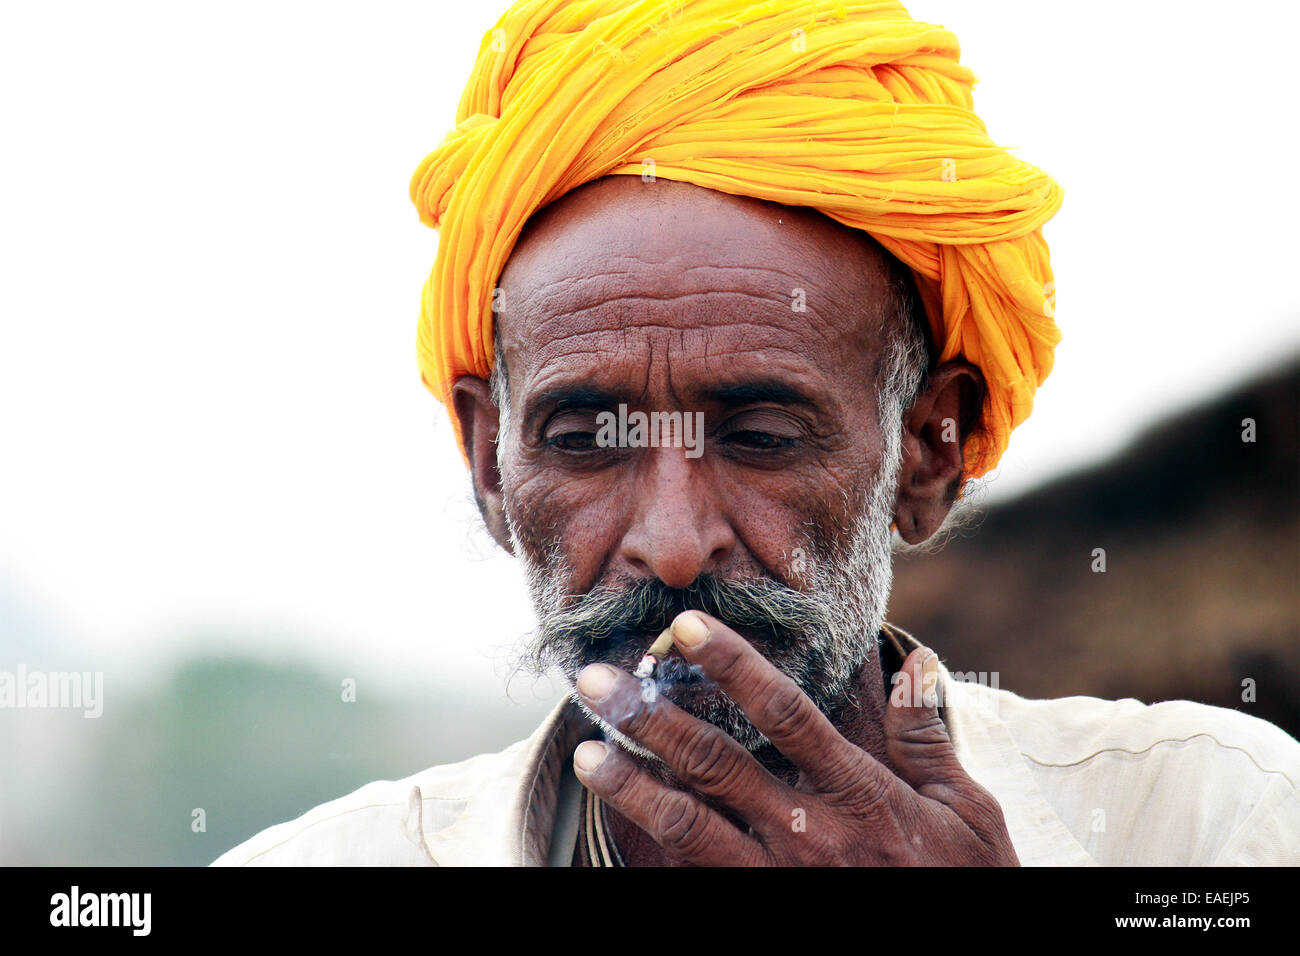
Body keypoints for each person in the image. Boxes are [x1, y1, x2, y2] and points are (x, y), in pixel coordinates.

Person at [213, 0, 1299, 866]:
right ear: (489, 465)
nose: (674, 545)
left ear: (930, 450)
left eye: (762, 435)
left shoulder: (1214, 821)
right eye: (586, 436)